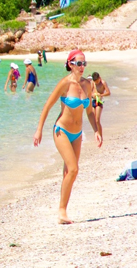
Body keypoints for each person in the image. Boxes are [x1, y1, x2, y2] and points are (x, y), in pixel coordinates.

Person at [33, 49, 103, 224]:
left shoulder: (88, 85)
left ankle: (63, 210)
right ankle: (61, 212)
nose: (82, 67)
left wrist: (96, 130)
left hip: (77, 134)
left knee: (69, 173)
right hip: (61, 131)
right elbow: (47, 106)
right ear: (70, 64)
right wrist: (39, 130)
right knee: (73, 169)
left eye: (84, 63)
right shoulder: (65, 84)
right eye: (78, 63)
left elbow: (88, 112)